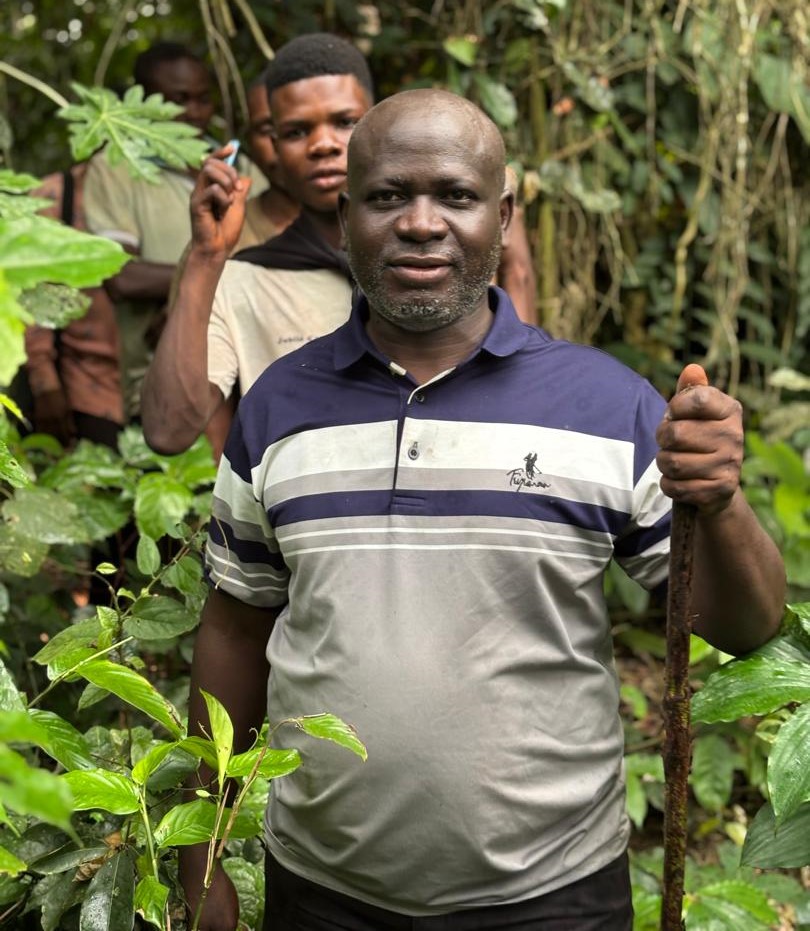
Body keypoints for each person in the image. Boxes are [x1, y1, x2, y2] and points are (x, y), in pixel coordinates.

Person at [182, 90, 785, 930]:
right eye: (389, 196)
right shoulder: (281, 404)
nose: (421, 223)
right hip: (322, 892)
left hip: (556, 895)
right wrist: (200, 851)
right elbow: (235, 628)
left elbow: (745, 626)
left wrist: (720, 502)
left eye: (456, 196)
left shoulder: (606, 404)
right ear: (348, 213)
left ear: (501, 216)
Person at [141, 33, 374, 458]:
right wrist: (205, 257)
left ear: (378, 126)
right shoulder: (240, 279)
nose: (323, 144)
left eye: (345, 122)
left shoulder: (428, 257)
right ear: (272, 148)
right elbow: (168, 430)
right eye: (296, 131)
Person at [84, 41, 260, 420]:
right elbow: (121, 276)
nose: (194, 113)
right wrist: (207, 281)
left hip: (252, 381)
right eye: (179, 100)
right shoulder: (115, 168)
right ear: (146, 104)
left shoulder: (237, 162)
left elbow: (279, 253)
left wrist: (195, 291)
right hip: (159, 381)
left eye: (202, 99)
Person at [24, 164, 124, 448]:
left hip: (156, 391)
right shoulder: (56, 195)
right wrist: (44, 383)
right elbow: (33, 292)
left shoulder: (167, 189)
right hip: (83, 387)